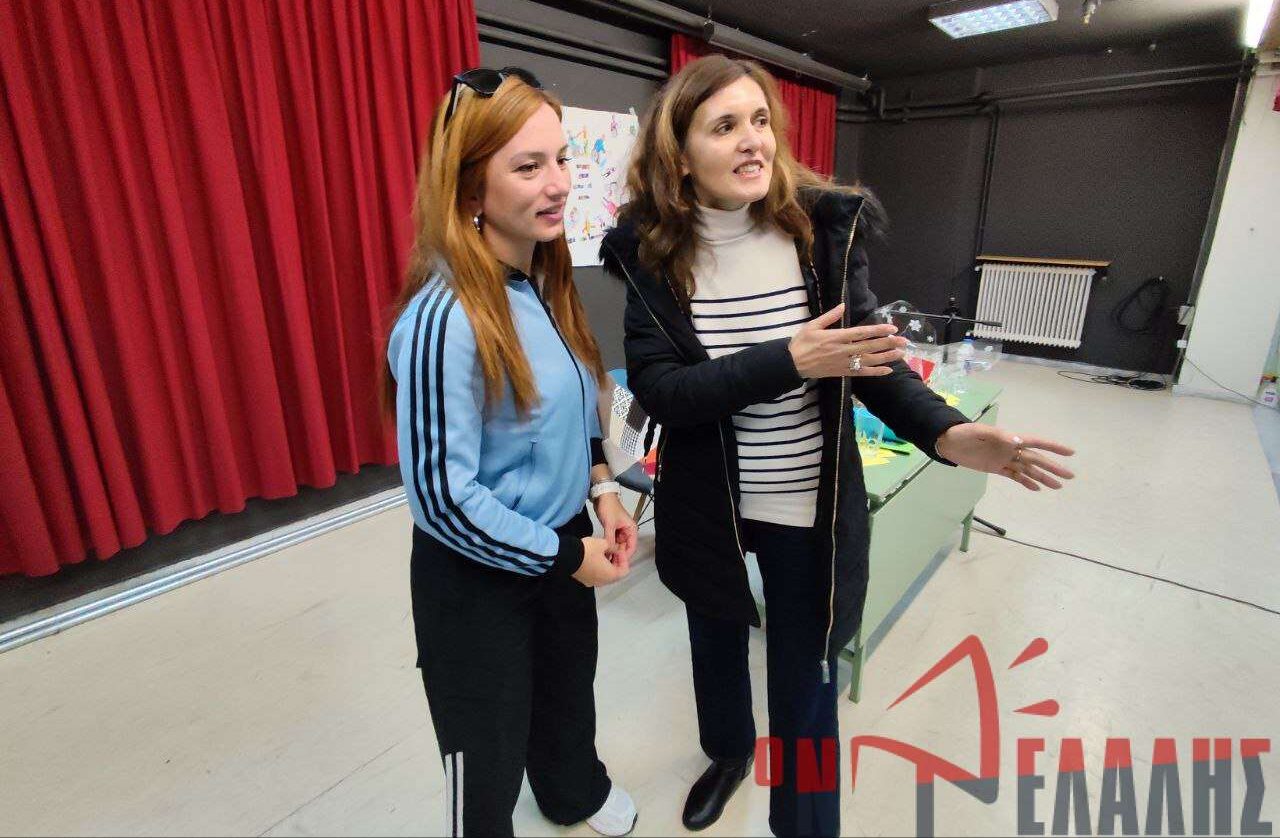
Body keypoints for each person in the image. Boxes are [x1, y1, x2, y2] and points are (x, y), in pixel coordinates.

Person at [600, 54, 1074, 837]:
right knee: (715, 640)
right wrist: (790, 359)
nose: (753, 140)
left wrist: (948, 433)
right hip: (708, 502)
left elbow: (872, 363)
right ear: (680, 158)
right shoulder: (652, 257)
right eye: (725, 126)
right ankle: (728, 753)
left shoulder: (819, 234)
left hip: (807, 506)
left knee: (808, 679)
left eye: (761, 120)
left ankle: (806, 823)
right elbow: (665, 393)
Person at [384, 66, 639, 838]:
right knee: (485, 749)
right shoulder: (442, 319)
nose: (558, 183)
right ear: (470, 189)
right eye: (528, 167)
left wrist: (603, 490)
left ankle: (573, 793)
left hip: (563, 542)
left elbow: (574, 409)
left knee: (566, 698)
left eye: (561, 158)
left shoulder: (543, 282)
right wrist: (565, 559)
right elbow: (442, 500)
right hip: (478, 581)